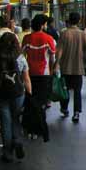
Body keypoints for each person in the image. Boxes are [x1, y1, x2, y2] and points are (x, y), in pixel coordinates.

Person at [0, 33, 31, 163]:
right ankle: (17, 141)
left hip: (1, 93)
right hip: (18, 93)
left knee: (5, 122)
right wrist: (29, 94)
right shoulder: (21, 58)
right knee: (16, 119)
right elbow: (26, 78)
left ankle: (7, 152)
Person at [22, 14, 55, 142]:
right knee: (40, 103)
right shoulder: (49, 38)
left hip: (29, 75)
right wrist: (52, 71)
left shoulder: (26, 38)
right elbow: (52, 58)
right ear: (42, 25)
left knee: (31, 102)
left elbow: (21, 56)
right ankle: (39, 129)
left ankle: (31, 129)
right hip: (44, 75)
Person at [54, 12, 86, 123]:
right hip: (78, 68)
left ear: (69, 20)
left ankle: (64, 108)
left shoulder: (64, 33)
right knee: (77, 91)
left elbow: (59, 51)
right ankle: (76, 113)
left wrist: (57, 64)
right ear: (79, 21)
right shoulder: (83, 34)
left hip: (66, 67)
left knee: (65, 89)